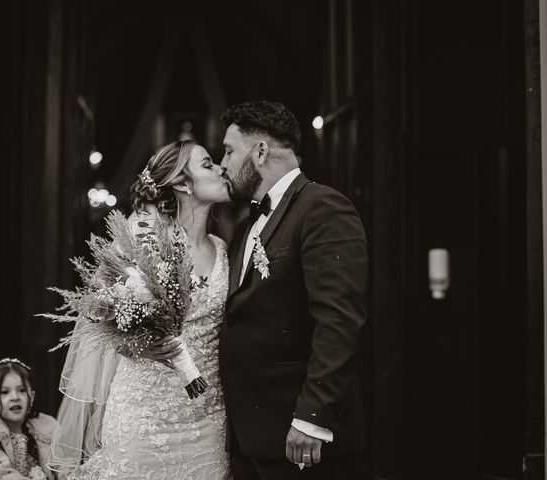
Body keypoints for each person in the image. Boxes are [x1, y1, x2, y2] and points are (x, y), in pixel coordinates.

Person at [49, 140, 232, 479]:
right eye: (208, 164)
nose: (221, 168)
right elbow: (97, 318)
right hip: (142, 416)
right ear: (181, 183)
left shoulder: (223, 250)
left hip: (207, 421)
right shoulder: (142, 238)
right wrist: (138, 344)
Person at [219, 100, 369, 480]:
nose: (223, 164)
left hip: (300, 438)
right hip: (248, 437)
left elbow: (339, 320)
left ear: (261, 151)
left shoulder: (323, 208)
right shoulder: (243, 228)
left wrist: (311, 418)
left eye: (228, 151)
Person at [0, 358, 61, 480]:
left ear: (31, 396)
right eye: (5, 392)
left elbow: (61, 467)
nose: (15, 397)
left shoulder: (46, 432)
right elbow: (0, 474)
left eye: (21, 390)